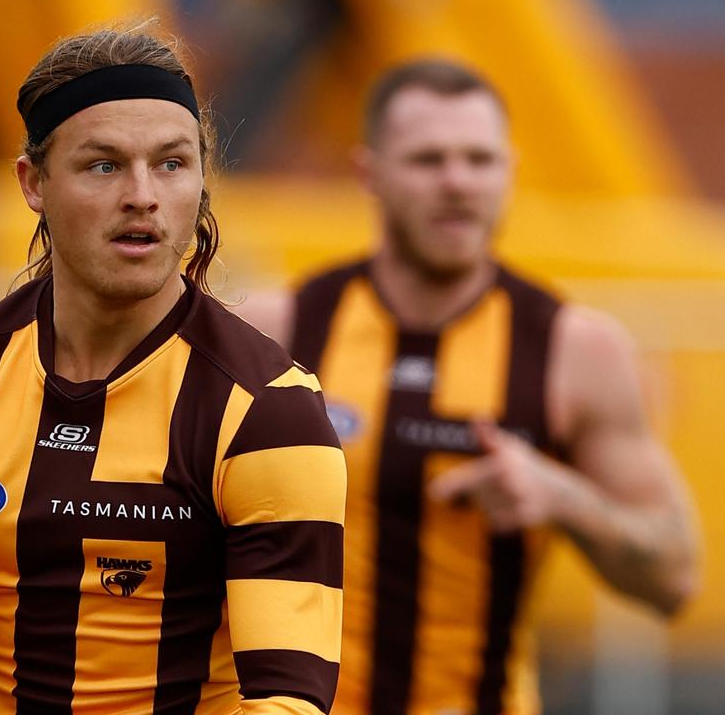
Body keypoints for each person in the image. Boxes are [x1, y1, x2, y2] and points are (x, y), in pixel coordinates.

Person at [0, 25, 347, 715]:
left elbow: (287, 698)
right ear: (34, 183)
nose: (143, 195)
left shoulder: (268, 410)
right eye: (103, 165)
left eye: (171, 164)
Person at [236, 59, 701, 715]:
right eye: (429, 160)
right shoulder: (276, 331)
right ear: (369, 174)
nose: (457, 183)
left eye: (479, 160)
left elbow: (676, 578)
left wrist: (564, 496)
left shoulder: (575, 351)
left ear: (509, 171)